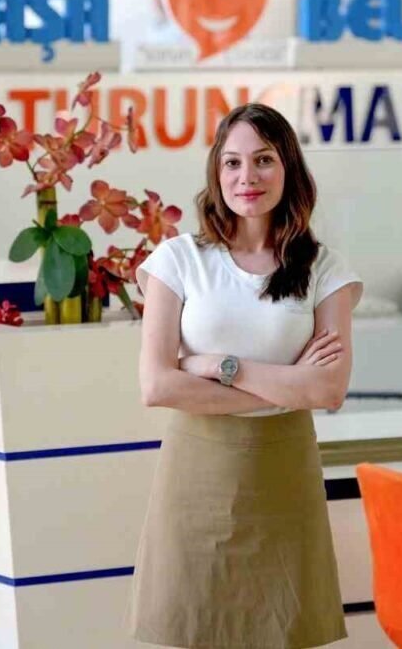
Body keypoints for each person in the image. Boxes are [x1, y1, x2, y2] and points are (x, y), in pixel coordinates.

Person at [128, 102, 362, 648]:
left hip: (285, 475)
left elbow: (327, 388)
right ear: (216, 171)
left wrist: (218, 368)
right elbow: (157, 386)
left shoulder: (324, 269)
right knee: (189, 629)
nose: (246, 176)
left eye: (263, 160)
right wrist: (288, 384)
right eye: (232, 162)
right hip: (195, 475)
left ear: (288, 168)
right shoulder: (178, 260)